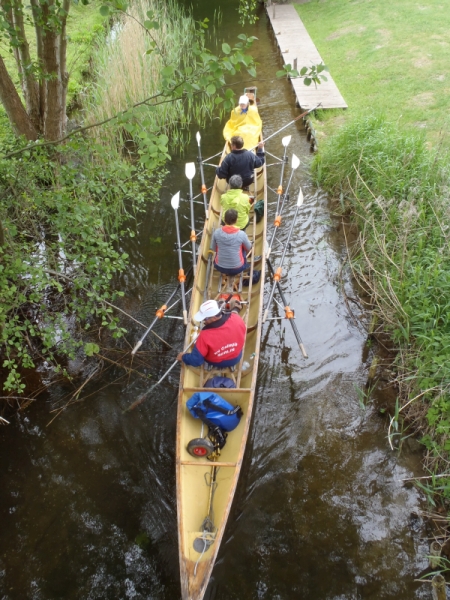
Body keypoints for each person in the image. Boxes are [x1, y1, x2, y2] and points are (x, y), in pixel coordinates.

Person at [176, 299, 246, 368]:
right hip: (236, 358)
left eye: (205, 319)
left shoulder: (204, 335)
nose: (203, 321)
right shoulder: (237, 318)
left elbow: (196, 361)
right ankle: (234, 308)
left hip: (216, 362)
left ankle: (223, 304)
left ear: (214, 318)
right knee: (234, 312)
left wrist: (183, 357)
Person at [212, 209, 252, 276]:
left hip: (220, 267)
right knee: (243, 247)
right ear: (236, 220)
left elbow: (213, 249)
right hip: (238, 268)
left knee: (219, 248)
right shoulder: (241, 234)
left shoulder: (216, 233)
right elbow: (248, 247)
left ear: (224, 220)